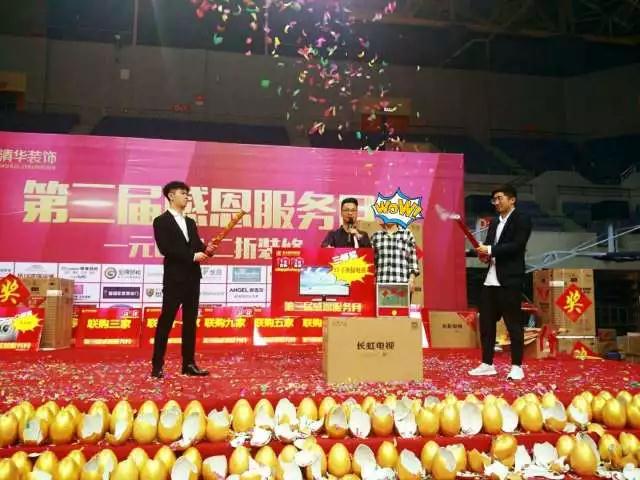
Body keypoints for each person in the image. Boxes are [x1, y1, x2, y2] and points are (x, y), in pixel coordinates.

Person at [151, 181, 215, 378]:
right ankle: (157, 365)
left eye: (187, 194)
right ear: (171, 196)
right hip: (174, 278)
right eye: (183, 193)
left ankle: (189, 364)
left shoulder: (190, 222)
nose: (187, 197)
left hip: (193, 278)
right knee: (166, 320)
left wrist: (207, 249)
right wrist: (193, 256)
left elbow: (196, 246)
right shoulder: (161, 221)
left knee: (190, 322)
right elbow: (166, 249)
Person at [468, 184, 532, 381]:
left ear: (512, 200)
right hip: (491, 279)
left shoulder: (522, 219)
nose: (496, 202)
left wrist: (490, 250)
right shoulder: (495, 221)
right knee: (486, 323)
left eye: (499, 198)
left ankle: (517, 366)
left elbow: (517, 245)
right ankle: (487, 364)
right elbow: (490, 246)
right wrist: (484, 254)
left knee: (513, 324)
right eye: (494, 199)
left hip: (510, 279)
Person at [370, 222, 419, 292]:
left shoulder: (407, 234)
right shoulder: (376, 236)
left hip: (402, 285)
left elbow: (413, 261)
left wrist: (411, 280)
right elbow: (371, 263)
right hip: (382, 285)